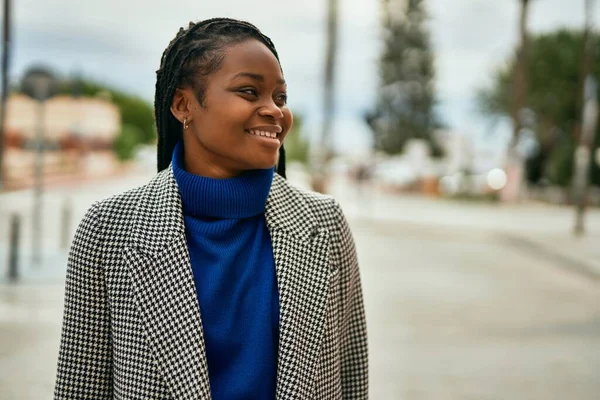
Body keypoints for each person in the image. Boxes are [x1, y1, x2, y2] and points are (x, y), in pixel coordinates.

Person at [54, 18, 368, 399]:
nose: (274, 111)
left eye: (280, 98)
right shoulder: (109, 229)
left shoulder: (324, 225)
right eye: (250, 91)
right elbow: (80, 388)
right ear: (184, 104)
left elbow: (351, 381)